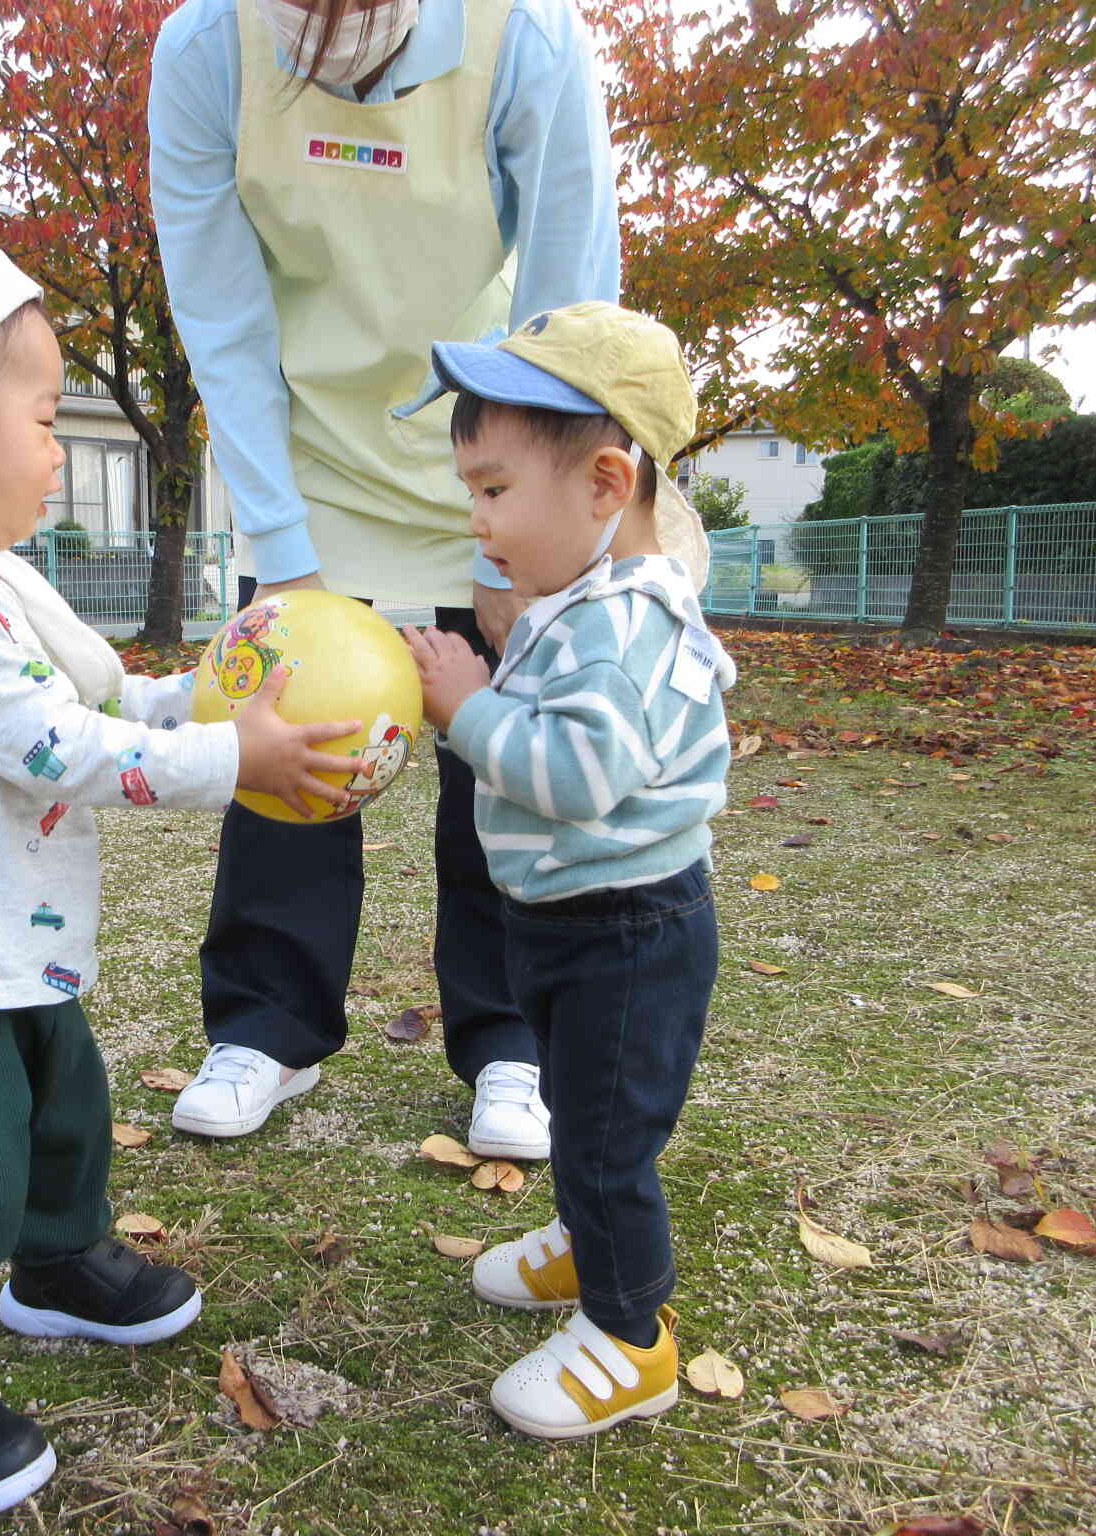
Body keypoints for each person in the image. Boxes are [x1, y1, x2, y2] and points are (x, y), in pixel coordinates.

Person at [0, 223, 361, 1521]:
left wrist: (209, 699)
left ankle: (54, 1267)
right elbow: (51, 745)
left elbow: (95, 700)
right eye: (48, 419)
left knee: (64, 1114)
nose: (60, 450)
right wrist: (235, 756)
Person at [150, 0, 623, 1156]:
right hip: (303, 453)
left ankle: (513, 1042)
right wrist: (285, 556)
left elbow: (567, 310)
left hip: (488, 442)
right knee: (284, 748)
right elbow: (221, 319)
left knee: (502, 767)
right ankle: (267, 1026)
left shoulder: (529, 40)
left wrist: (516, 535)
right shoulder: (204, 50)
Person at [400, 301, 731, 1440]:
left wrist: (467, 707)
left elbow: (580, 774)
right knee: (575, 1106)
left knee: (602, 1139)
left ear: (603, 484)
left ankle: (630, 1339)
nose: (478, 520)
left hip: (628, 933)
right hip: (570, 920)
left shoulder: (627, 622)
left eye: (494, 489)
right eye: (472, 491)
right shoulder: (583, 602)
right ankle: (590, 1247)